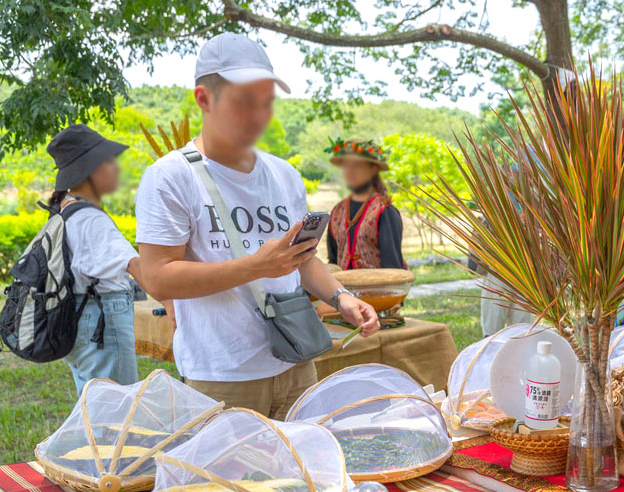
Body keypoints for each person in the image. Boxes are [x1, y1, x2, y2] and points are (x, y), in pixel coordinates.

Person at [135, 33, 380, 417]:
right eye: (243, 102)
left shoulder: (284, 175)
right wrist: (255, 266)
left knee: (301, 471)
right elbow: (158, 278)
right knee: (232, 478)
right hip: (223, 374)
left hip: (296, 361)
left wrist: (341, 298)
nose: (258, 115)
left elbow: (300, 259)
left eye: (266, 103)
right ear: (204, 99)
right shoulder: (170, 177)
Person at [44, 124, 143, 394]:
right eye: (108, 162)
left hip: (77, 321)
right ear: (90, 170)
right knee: (117, 415)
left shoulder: (62, 213)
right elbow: (142, 271)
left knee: (95, 410)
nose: (116, 169)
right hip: (103, 322)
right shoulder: (92, 219)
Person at [326, 138, 406, 269]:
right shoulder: (337, 211)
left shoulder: (384, 211)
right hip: (343, 288)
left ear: (373, 169)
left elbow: (392, 266)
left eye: (357, 165)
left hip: (378, 288)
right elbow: (333, 260)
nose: (350, 171)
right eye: (346, 165)